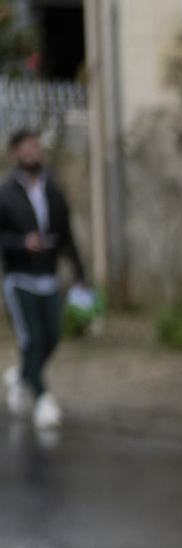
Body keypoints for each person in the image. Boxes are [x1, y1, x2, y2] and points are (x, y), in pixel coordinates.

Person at [0, 129, 87, 430]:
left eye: (37, 147)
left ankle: (23, 375)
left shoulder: (53, 192)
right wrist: (21, 242)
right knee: (32, 339)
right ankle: (42, 399)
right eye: (26, 148)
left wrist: (79, 274)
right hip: (19, 278)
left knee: (52, 336)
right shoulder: (5, 193)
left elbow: (66, 237)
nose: (33, 153)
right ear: (14, 153)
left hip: (47, 278)